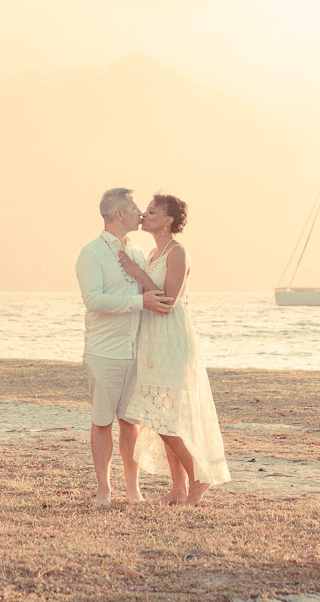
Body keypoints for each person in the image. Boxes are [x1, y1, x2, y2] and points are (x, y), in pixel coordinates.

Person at [120, 193, 230, 505]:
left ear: (169, 220)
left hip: (172, 339)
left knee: (160, 417)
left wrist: (136, 272)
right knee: (167, 414)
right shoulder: (155, 251)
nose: (145, 215)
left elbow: (167, 303)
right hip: (152, 339)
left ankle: (200, 476)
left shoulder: (178, 253)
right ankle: (178, 489)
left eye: (152, 212)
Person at [75, 188, 174, 506]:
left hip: (137, 352)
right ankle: (104, 489)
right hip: (105, 352)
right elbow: (94, 300)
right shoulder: (91, 253)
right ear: (119, 214)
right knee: (102, 420)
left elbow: (153, 292)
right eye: (133, 207)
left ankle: (134, 489)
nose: (139, 212)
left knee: (131, 423)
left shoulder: (138, 253)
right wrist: (139, 301)